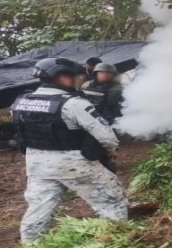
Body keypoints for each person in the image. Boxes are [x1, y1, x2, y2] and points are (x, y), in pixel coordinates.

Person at [12, 58, 127, 244]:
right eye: (76, 76)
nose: (80, 79)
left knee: (39, 209)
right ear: (61, 77)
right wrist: (110, 150)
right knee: (113, 201)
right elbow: (105, 135)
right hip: (75, 165)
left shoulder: (21, 101)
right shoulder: (74, 103)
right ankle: (116, 240)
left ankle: (30, 243)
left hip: (37, 166)